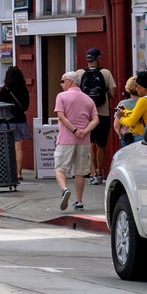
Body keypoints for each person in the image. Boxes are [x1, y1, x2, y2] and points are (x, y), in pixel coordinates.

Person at [53, 70, 98, 212]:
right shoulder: (88, 99)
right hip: (84, 141)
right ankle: (79, 201)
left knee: (60, 168)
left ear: (70, 82)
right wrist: (84, 131)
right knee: (80, 171)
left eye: (62, 81)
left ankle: (64, 190)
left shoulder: (61, 97)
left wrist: (73, 130)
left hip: (66, 139)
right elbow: (95, 119)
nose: (61, 85)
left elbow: (61, 116)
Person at [77, 48, 117, 185]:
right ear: (98, 58)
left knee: (89, 143)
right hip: (102, 114)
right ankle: (101, 172)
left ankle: (92, 173)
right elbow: (113, 93)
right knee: (101, 144)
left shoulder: (79, 73)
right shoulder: (105, 73)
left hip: (85, 114)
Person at [0, 66, 32, 180]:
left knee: (7, 148)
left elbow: (0, 106)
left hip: (7, 121)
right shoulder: (24, 89)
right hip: (20, 120)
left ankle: (8, 172)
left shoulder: (4, 89)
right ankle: (18, 173)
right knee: (18, 148)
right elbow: (26, 106)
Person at [115, 74, 147, 147]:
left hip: (139, 136)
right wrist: (125, 111)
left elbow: (131, 121)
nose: (135, 88)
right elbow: (138, 114)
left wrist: (120, 118)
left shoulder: (143, 100)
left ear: (143, 87)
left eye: (136, 86)